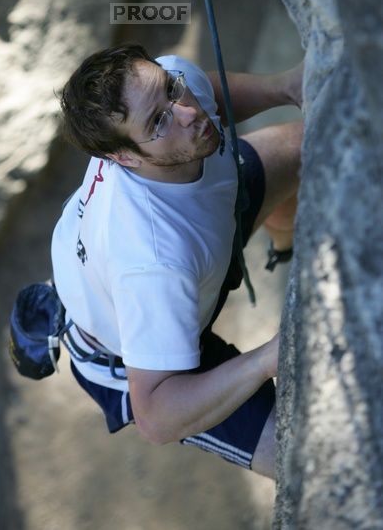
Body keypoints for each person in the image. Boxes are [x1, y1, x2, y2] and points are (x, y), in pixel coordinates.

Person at [51, 43, 303, 479]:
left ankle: (284, 244)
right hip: (153, 364)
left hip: (199, 238)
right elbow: (156, 415)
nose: (188, 113)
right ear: (123, 158)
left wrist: (285, 87)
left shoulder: (167, 90)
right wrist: (271, 357)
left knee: (308, 147)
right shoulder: (152, 264)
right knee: (311, 458)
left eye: (171, 90)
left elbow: (206, 91)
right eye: (159, 121)